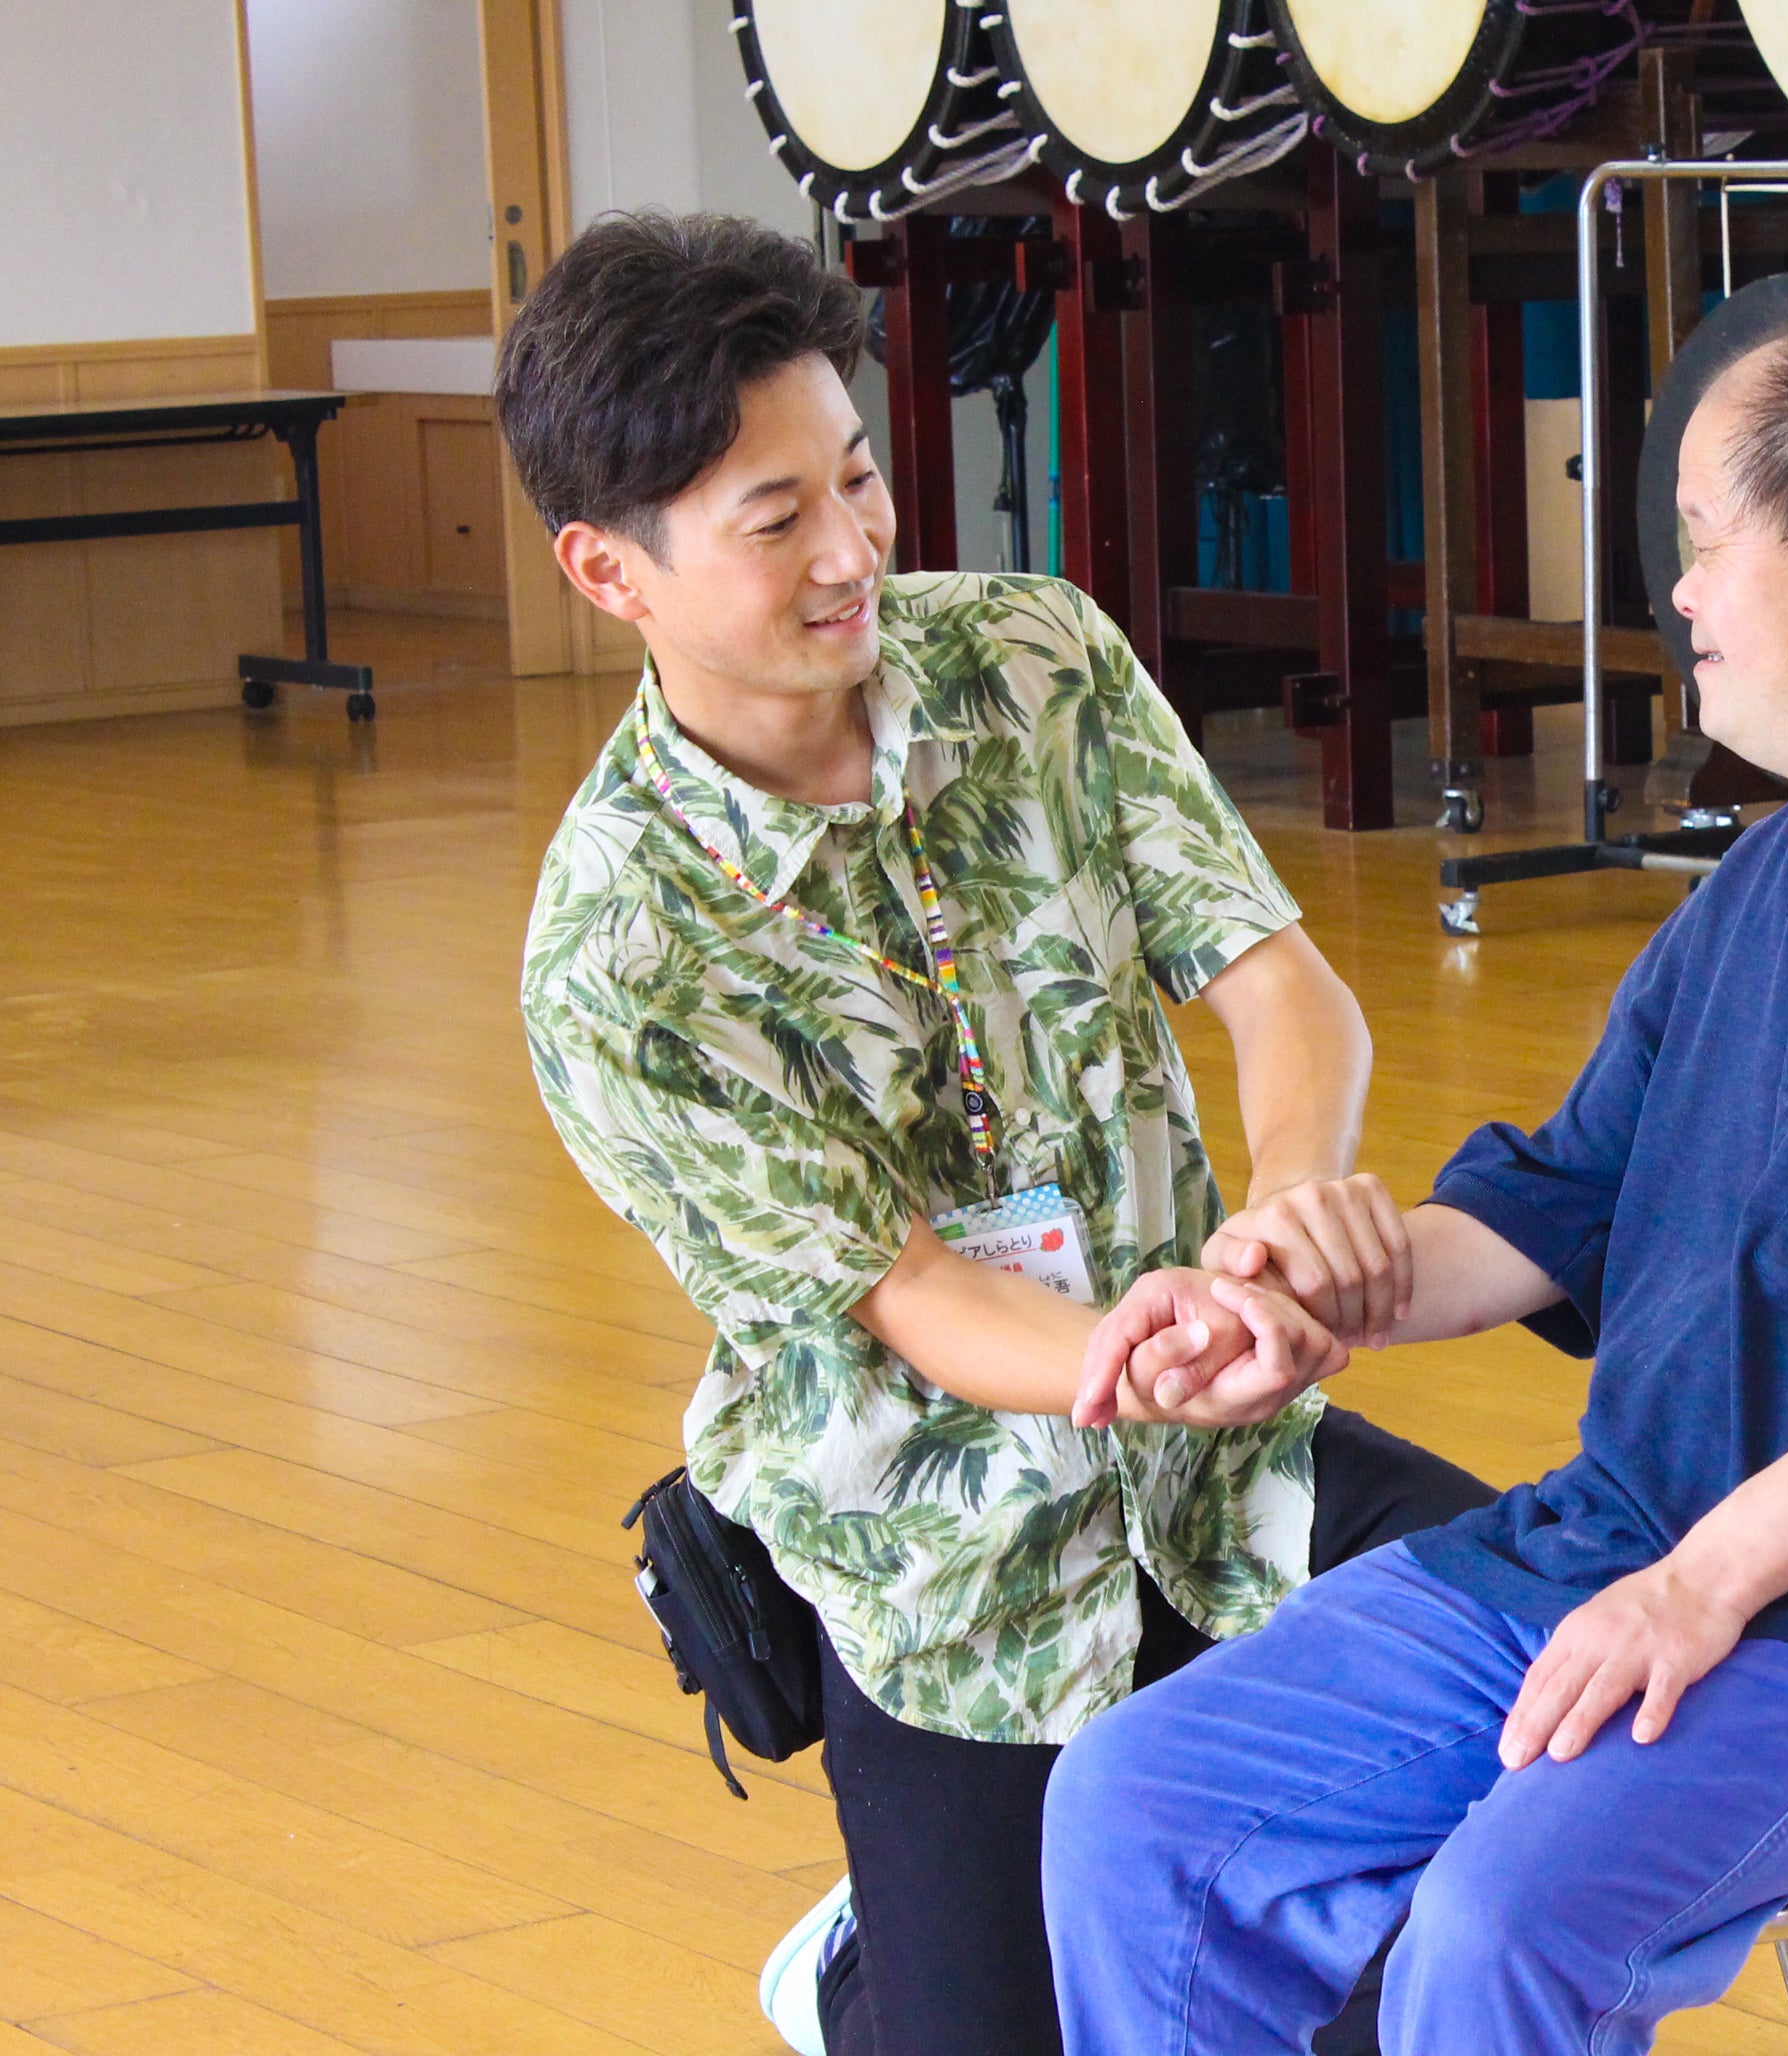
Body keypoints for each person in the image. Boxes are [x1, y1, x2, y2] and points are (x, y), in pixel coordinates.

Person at [1042, 311, 1788, 2054]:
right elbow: (1560, 1204)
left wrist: (1701, 1588)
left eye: (1705, 541)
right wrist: (1302, 1296)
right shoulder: (1776, 876)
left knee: (1500, 1927)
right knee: (1137, 1804)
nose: (1678, 594)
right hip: (1621, 1550)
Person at [500, 211, 1485, 2056]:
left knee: (1570, 1709)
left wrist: (1277, 1235)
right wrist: (1132, 1354)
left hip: (1233, 1460)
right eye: (774, 521)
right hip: (953, 1570)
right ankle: (871, 1963)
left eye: (858, 479)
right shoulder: (617, 957)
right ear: (606, 568)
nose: (851, 550)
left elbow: (1283, 988)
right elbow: (918, 1296)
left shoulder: (1035, 655)